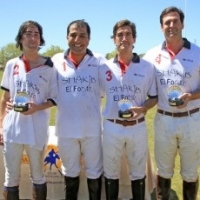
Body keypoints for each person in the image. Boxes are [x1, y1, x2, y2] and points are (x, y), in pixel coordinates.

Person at [143, 6, 200, 200]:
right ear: (161, 27)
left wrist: (191, 96)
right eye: (167, 22)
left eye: (175, 21)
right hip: (164, 119)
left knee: (190, 171)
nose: (172, 25)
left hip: (192, 119)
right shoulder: (151, 56)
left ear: (182, 24)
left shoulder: (198, 53)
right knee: (164, 171)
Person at [99, 19, 157, 200]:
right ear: (114, 40)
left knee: (138, 172)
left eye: (128, 34)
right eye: (120, 35)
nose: (124, 38)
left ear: (134, 39)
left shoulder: (147, 67)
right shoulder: (103, 67)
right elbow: (96, 95)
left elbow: (154, 97)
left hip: (137, 126)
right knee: (110, 171)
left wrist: (142, 109)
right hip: (111, 126)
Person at [0, 20, 57, 200]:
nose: (33, 38)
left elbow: (54, 99)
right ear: (21, 38)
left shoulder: (50, 66)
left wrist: (37, 108)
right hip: (12, 129)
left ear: (40, 40)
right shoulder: (11, 64)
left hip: (36, 128)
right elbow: (6, 98)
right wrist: (1, 125)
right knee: (11, 177)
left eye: (36, 34)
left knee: (38, 175)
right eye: (28, 33)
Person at [51, 19, 106, 200]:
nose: (78, 39)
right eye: (73, 35)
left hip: (92, 130)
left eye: (82, 35)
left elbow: (113, 87)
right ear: (66, 37)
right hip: (66, 130)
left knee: (94, 171)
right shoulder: (56, 61)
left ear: (89, 39)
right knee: (70, 172)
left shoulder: (99, 61)